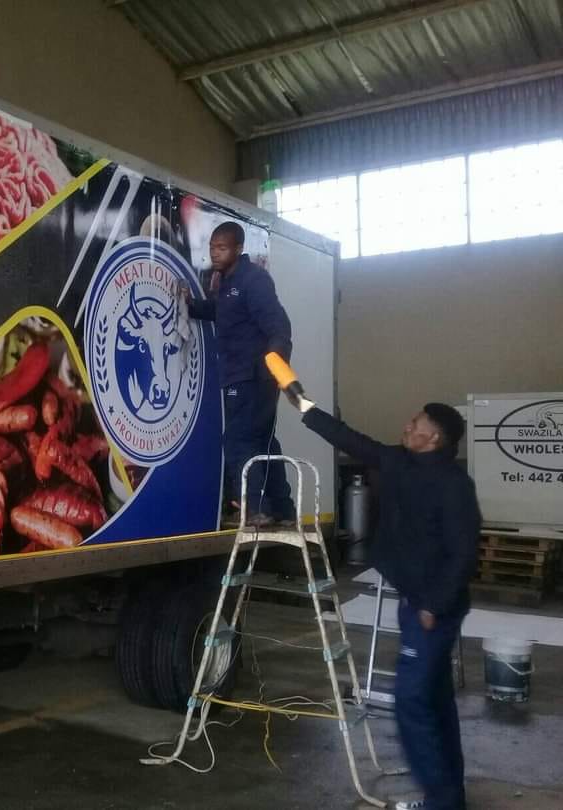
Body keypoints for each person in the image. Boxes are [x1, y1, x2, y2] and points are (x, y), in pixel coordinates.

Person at [285, 392, 480, 810]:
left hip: (432, 610)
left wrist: (433, 605)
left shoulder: (453, 485)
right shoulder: (397, 462)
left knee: (411, 701)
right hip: (416, 601)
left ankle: (441, 802)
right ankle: (449, 798)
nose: (408, 426)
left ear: (434, 438)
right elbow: (350, 439)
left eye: (416, 424)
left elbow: (464, 553)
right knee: (434, 702)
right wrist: (303, 406)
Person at [183, 221, 295, 526]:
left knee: (238, 442)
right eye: (212, 248)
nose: (215, 254)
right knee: (264, 442)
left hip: (252, 377)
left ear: (239, 249)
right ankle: (283, 510)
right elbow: (222, 311)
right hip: (249, 376)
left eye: (222, 248)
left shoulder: (253, 280)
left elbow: (278, 325)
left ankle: (255, 509)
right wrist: (191, 305)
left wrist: (276, 368)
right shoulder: (229, 282)